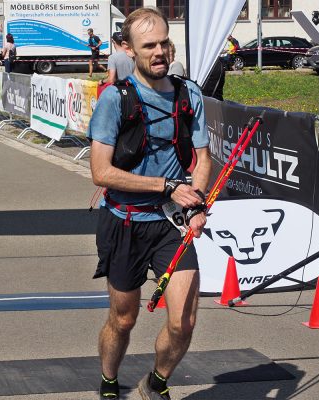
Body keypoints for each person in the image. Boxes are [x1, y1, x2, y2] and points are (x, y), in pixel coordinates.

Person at [87, 7, 211, 400]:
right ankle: (109, 380)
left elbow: (204, 159)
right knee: (124, 319)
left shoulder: (189, 94)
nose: (160, 52)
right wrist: (168, 185)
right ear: (128, 49)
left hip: (172, 226)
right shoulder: (114, 100)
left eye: (164, 43)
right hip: (123, 221)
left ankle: (155, 383)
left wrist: (196, 205)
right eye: (149, 46)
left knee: (184, 322)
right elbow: (101, 173)